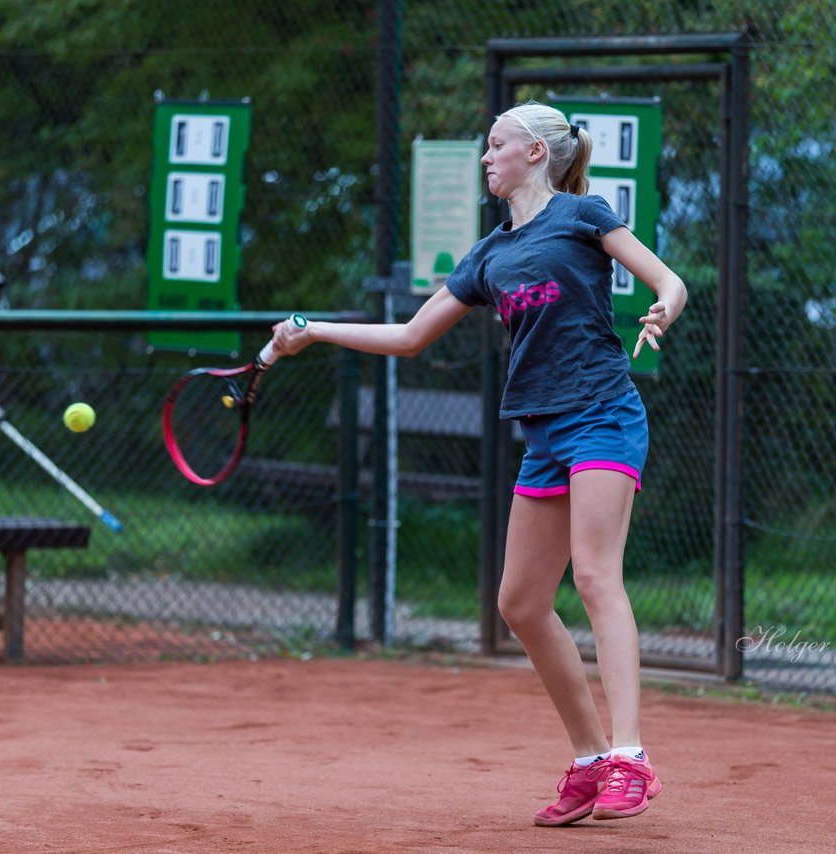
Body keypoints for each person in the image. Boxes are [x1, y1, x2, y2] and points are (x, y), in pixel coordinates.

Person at [271, 101, 686, 826]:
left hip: (602, 415)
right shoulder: (488, 255)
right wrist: (314, 329)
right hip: (545, 433)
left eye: (496, 146)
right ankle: (590, 761)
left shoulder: (585, 215)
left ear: (533, 152)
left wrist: (663, 308)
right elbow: (408, 337)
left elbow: (668, 280)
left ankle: (631, 756)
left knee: (593, 574)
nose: (485, 158)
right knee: (519, 603)